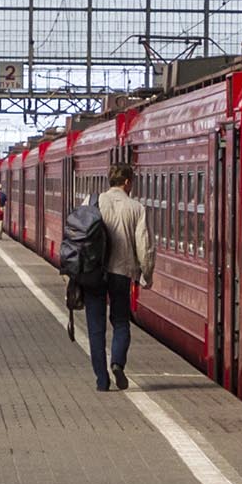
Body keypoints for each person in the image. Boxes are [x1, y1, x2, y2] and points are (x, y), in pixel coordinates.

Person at [85, 158, 153, 392]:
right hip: (121, 272)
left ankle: (101, 380)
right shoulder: (136, 208)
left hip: (94, 273)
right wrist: (146, 274)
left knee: (95, 328)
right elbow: (144, 245)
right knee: (121, 322)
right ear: (126, 182)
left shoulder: (93, 201)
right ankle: (117, 362)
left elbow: (79, 236)